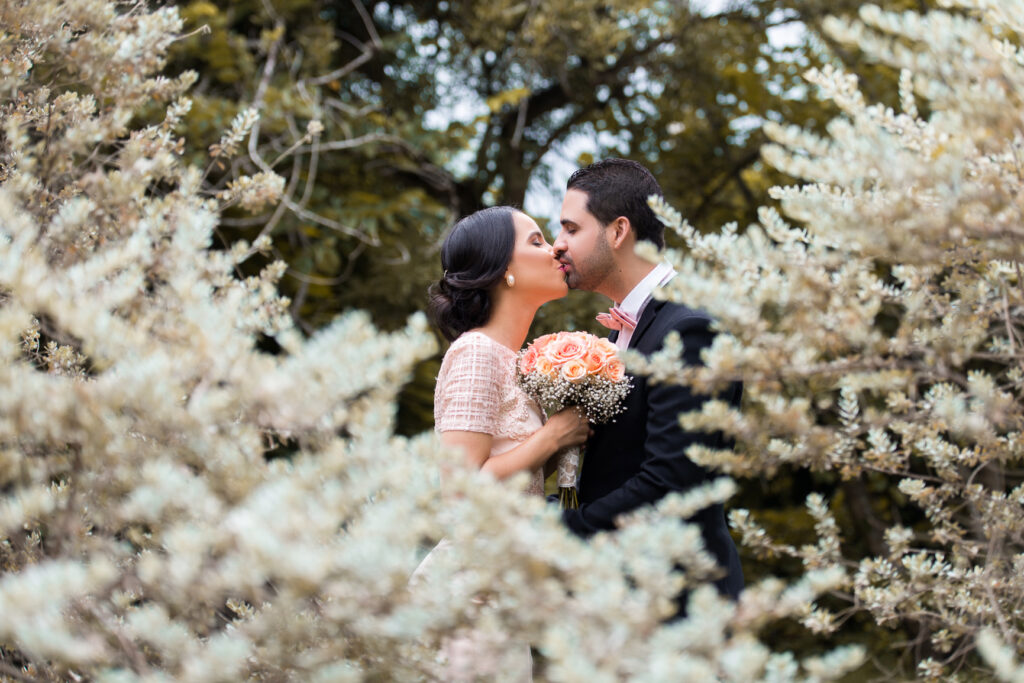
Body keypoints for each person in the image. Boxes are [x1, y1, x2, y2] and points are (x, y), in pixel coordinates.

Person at [551, 158, 744, 605]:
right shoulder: (618, 334)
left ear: (618, 232)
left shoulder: (690, 329)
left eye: (571, 229)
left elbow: (671, 481)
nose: (558, 246)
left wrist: (559, 527)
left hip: (680, 603)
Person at [422, 205, 590, 681]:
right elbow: (460, 490)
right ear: (504, 273)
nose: (555, 247)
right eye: (536, 241)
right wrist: (554, 435)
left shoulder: (514, 362)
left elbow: (514, 472)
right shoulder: (476, 353)